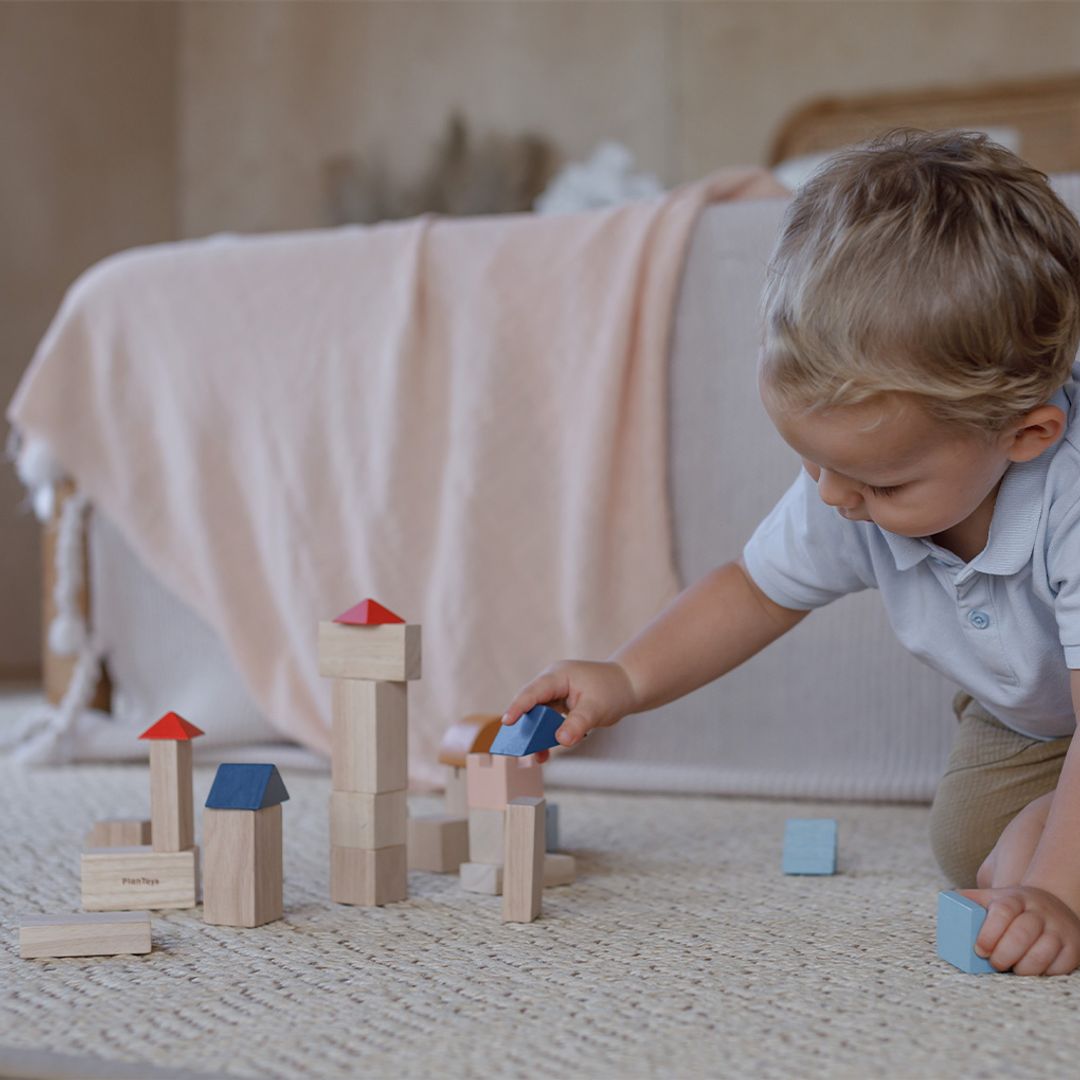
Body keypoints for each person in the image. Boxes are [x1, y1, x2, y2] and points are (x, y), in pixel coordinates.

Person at [501, 128, 1080, 976]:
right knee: (966, 848)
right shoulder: (849, 482)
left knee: (1042, 885)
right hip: (1027, 714)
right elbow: (752, 590)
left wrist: (1058, 893)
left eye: (882, 486)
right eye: (814, 463)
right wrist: (623, 679)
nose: (837, 499)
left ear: (1026, 434)